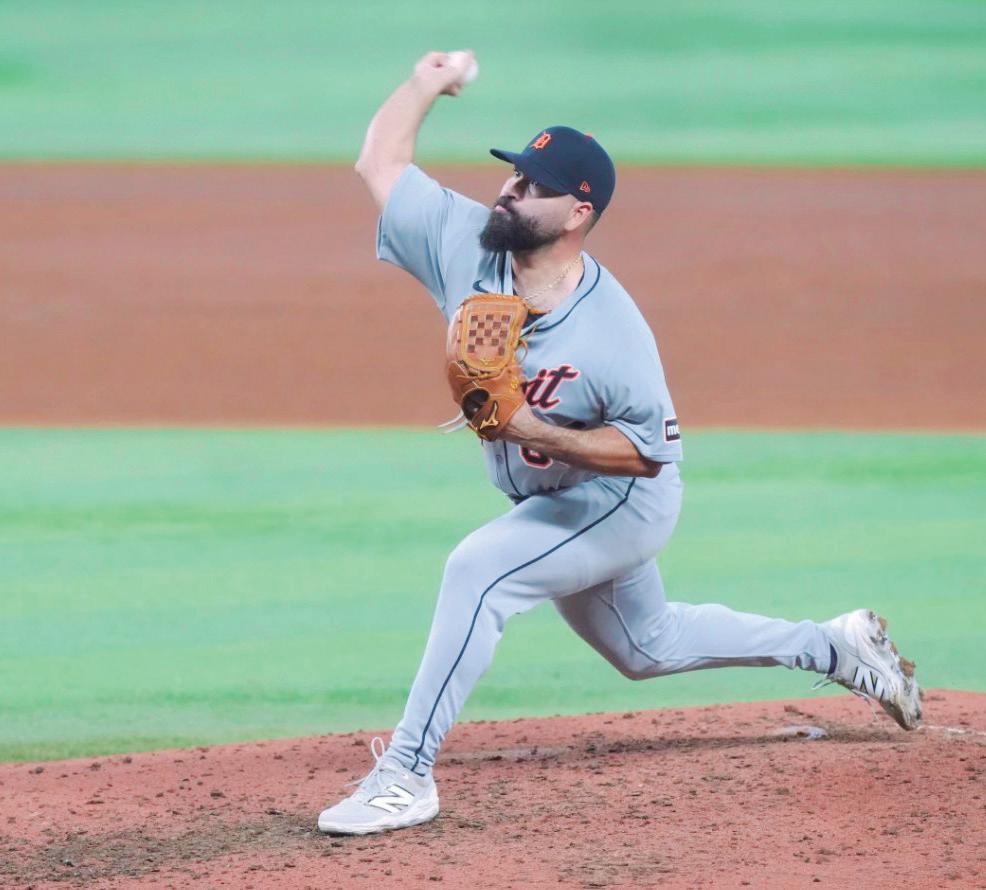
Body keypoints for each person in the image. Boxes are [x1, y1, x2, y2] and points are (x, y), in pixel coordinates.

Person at [316, 51, 922, 836]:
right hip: (555, 499)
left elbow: (649, 452)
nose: (510, 189)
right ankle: (837, 648)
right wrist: (429, 81)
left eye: (534, 185)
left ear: (577, 213)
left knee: (479, 571)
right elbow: (380, 161)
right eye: (513, 173)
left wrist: (526, 428)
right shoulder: (466, 242)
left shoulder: (613, 330)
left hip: (623, 501)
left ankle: (405, 776)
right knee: (646, 645)